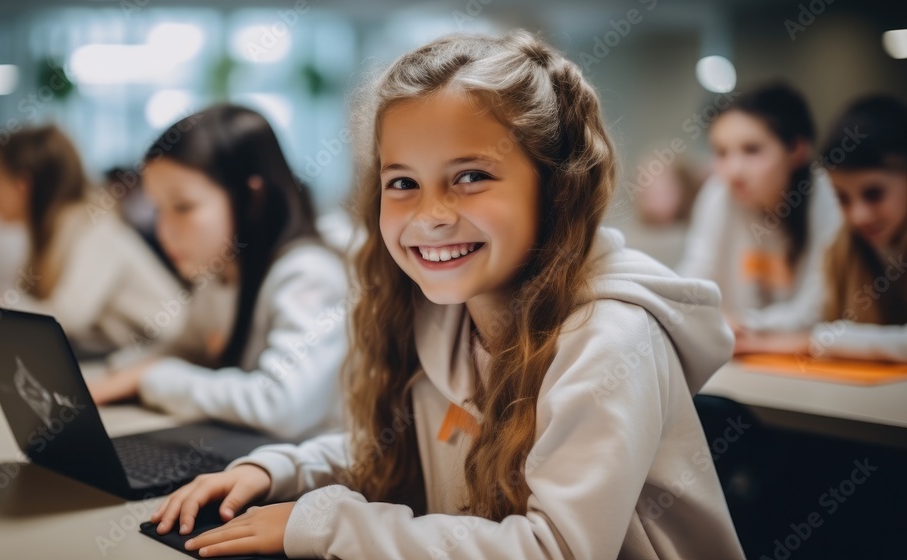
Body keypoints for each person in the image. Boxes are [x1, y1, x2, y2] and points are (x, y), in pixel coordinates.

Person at [149, 31, 745, 559]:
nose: (431, 216)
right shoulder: (444, 311)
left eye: (470, 177)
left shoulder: (610, 338)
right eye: (402, 182)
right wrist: (280, 469)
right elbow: (395, 450)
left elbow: (553, 549)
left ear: (556, 187)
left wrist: (327, 525)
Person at [88, 106, 349, 441]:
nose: (164, 231)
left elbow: (281, 406)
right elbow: (185, 348)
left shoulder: (307, 274)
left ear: (250, 197)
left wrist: (151, 378)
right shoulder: (220, 272)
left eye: (183, 207)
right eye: (158, 210)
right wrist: (119, 370)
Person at [0, 124, 185, 355]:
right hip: (125, 355)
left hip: (168, 357)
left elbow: (67, 318)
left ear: (23, 185)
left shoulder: (95, 230)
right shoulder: (54, 231)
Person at [735, 95, 907, 362]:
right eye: (843, 198)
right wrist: (746, 326)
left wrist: (817, 341)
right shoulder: (844, 245)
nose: (859, 215)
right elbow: (810, 311)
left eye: (874, 194)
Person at [677, 83, 841, 332]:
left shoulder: (829, 197)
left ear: (798, 150)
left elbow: (816, 310)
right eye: (721, 153)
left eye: (752, 150)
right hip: (740, 350)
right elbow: (692, 279)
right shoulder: (718, 192)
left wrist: (742, 325)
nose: (734, 171)